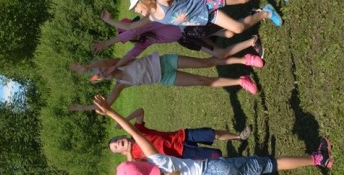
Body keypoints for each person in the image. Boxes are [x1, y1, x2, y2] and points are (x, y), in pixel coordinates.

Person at [91, 94, 340, 175]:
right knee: (269, 164)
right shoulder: (156, 159)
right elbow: (132, 132)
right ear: (139, 162)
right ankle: (318, 158)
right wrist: (111, 112)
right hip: (215, 168)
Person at [68, 50, 262, 113]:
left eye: (102, 69)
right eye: (101, 75)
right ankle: (240, 81)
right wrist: (83, 107)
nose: (103, 72)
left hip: (165, 62)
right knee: (203, 81)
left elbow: (103, 63)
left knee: (206, 62)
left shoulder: (120, 63)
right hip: (165, 77)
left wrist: (86, 67)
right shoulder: (120, 85)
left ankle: (244, 59)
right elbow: (107, 104)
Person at [94, 9, 265, 59]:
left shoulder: (145, 22)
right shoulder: (144, 40)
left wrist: (106, 42)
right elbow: (131, 55)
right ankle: (252, 41)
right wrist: (115, 67)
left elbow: (130, 32)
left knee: (228, 33)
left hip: (189, 25)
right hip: (187, 38)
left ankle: (257, 14)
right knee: (221, 53)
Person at [125, 0, 288, 33]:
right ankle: (267, 13)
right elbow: (131, 27)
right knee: (238, 28)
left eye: (136, 6)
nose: (136, 10)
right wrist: (111, 21)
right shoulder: (152, 17)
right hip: (204, 16)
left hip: (206, 1)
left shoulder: (162, 0)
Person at [106, 106, 251, 160]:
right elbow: (133, 167)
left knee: (211, 133)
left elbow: (140, 111)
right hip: (181, 153)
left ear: (122, 135)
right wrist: (129, 153)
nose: (118, 143)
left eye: (116, 140)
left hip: (181, 135)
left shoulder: (136, 131)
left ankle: (239, 136)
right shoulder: (134, 157)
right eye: (116, 146)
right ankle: (240, 161)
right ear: (121, 152)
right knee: (215, 157)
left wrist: (125, 120)